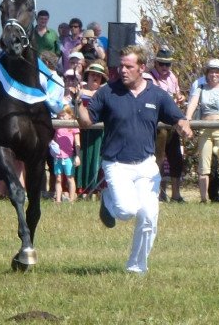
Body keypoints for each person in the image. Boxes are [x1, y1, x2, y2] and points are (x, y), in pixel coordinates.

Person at [76, 45, 193, 275]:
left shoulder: (157, 94)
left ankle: (136, 267)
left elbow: (177, 118)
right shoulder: (108, 92)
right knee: (127, 211)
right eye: (121, 66)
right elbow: (86, 122)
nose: (123, 70)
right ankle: (108, 199)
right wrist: (78, 103)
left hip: (147, 165)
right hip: (116, 163)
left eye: (128, 66)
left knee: (149, 216)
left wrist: (184, 127)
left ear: (141, 68)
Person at [185, 59, 219, 204]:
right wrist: (187, 120)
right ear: (207, 73)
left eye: (217, 72)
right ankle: (204, 198)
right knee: (204, 164)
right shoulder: (200, 88)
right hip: (205, 128)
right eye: (211, 71)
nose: (214, 74)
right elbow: (192, 105)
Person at [146, 48, 187, 203]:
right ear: (155, 63)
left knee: (176, 157)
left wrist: (179, 97)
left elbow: (176, 94)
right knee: (159, 159)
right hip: (157, 124)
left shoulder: (172, 77)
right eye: (162, 64)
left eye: (168, 64)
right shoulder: (148, 77)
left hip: (172, 122)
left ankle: (176, 194)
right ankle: (159, 193)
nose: (165, 68)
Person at [75, 61, 107, 198]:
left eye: (98, 76)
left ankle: (96, 189)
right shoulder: (80, 92)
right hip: (81, 131)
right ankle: (80, 189)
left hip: (99, 132)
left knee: (96, 159)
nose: (95, 78)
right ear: (87, 76)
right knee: (82, 157)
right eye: (92, 75)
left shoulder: (104, 93)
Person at [50, 104, 80, 203]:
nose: (61, 118)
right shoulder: (57, 127)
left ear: (70, 115)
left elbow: (77, 143)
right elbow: (54, 140)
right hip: (58, 157)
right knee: (58, 178)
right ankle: (58, 200)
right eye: (60, 116)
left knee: (70, 178)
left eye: (63, 115)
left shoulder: (74, 127)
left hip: (68, 157)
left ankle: (71, 200)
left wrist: (77, 156)